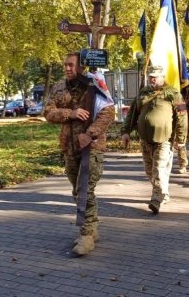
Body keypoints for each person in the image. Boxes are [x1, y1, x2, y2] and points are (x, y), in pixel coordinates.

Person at [44, 52, 115, 256]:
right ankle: (92, 228)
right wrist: (69, 113)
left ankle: (86, 235)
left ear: (81, 67)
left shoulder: (94, 85)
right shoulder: (59, 87)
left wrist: (89, 134)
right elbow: (48, 112)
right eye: (65, 65)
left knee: (85, 189)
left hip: (91, 148)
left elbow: (108, 113)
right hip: (69, 147)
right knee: (77, 191)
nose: (67, 68)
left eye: (71, 65)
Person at [121, 66, 188, 214]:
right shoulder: (143, 92)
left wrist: (181, 138)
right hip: (145, 139)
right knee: (149, 171)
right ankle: (162, 192)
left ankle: (156, 199)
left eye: (156, 77)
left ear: (162, 77)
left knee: (159, 169)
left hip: (164, 140)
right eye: (151, 76)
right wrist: (125, 132)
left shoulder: (172, 93)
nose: (153, 79)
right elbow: (132, 113)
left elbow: (182, 116)